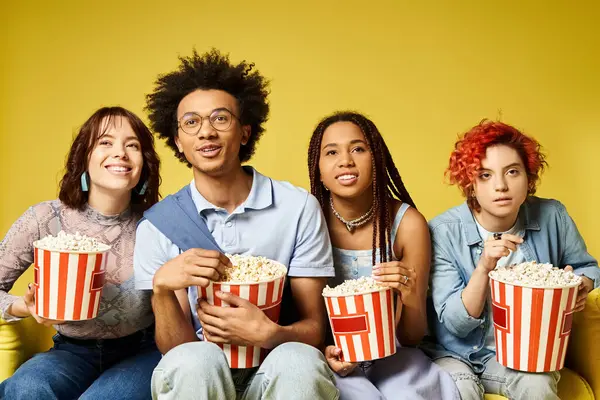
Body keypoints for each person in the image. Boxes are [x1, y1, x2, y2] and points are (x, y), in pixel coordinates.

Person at [134, 49, 339, 400]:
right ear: (179, 142)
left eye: (220, 119)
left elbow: (315, 329)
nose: (206, 133)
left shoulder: (298, 208)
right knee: (192, 363)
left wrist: (268, 333)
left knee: (299, 362)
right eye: (191, 123)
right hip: (200, 375)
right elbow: (176, 351)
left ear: (245, 132)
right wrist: (163, 289)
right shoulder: (158, 225)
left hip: (277, 366)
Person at [427, 120, 600, 399]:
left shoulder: (552, 216)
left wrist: (581, 284)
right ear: (470, 184)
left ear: (529, 178)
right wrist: (484, 266)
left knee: (538, 385)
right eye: (485, 175)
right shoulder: (443, 232)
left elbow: (587, 266)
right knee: (460, 389)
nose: (501, 186)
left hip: (526, 354)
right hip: (455, 353)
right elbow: (456, 324)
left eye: (512, 172)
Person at [0, 106, 162, 399]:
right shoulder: (44, 218)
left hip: (141, 353)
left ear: (144, 164)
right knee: (25, 389)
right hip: (71, 352)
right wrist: (24, 308)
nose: (120, 153)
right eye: (105, 142)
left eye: (133, 145)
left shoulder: (158, 224)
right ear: (84, 157)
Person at [307, 111, 460, 399]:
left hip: (394, 351)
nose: (345, 161)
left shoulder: (408, 225)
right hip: (332, 351)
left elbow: (412, 337)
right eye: (331, 152)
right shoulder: (308, 220)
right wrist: (323, 350)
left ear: (376, 159)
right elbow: (304, 316)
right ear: (318, 168)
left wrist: (409, 291)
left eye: (358, 149)